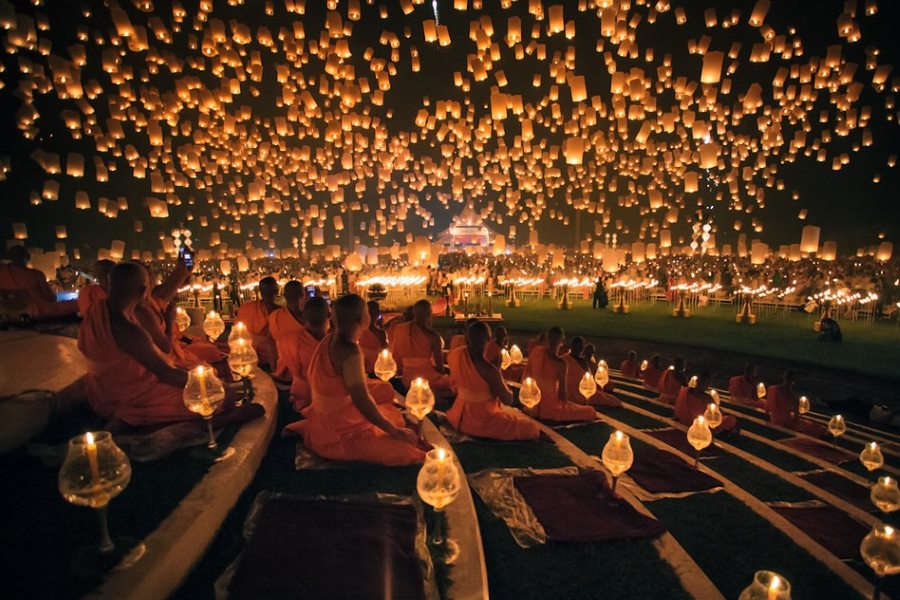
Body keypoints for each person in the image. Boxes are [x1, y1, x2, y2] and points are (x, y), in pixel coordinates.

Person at [78, 263, 237, 426]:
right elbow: (165, 373)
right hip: (131, 397)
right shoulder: (127, 328)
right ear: (143, 290)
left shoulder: (95, 311)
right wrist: (216, 386)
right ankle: (128, 420)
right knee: (217, 399)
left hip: (100, 392)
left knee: (200, 375)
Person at [284, 294, 425, 465]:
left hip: (328, 411)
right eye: (367, 312)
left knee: (385, 391)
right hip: (340, 429)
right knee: (406, 451)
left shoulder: (330, 339)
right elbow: (361, 400)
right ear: (362, 319)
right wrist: (394, 431)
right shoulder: (349, 351)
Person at [446, 321, 541, 440]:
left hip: (458, 416)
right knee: (531, 427)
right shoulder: (489, 370)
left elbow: (454, 386)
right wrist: (508, 389)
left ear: (468, 338)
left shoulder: (455, 355)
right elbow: (507, 399)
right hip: (482, 421)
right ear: (488, 339)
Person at [523, 327, 596, 422]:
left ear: (547, 339)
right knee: (590, 411)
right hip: (551, 409)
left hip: (532, 406)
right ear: (562, 341)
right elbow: (563, 395)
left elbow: (526, 376)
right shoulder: (561, 364)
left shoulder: (536, 351)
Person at [389, 299, 455, 395]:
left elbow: (396, 359)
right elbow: (440, 369)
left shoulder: (399, 330)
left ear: (414, 313)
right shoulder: (433, 336)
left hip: (407, 380)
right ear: (429, 313)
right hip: (429, 381)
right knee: (457, 384)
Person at [0, 246, 78, 319]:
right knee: (77, 303)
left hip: (9, 311)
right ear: (28, 257)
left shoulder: (2, 273)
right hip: (39, 310)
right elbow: (51, 297)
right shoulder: (35, 274)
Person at [674, 372, 739, 436]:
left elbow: (677, 404)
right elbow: (717, 414)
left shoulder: (684, 390)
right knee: (731, 419)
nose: (706, 385)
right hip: (699, 424)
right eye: (706, 383)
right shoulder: (707, 398)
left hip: (681, 419)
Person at [236, 276, 280, 370]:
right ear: (277, 291)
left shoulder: (245, 308)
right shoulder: (279, 312)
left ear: (259, 291)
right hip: (270, 359)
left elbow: (236, 333)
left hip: (246, 356)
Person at [766, 371, 827, 437]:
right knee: (815, 427)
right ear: (793, 381)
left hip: (778, 420)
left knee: (808, 424)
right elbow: (796, 417)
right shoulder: (792, 396)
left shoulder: (773, 389)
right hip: (785, 424)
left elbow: (767, 409)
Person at [563, 337, 620, 407]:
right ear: (572, 346)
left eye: (580, 346)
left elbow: (589, 379)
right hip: (571, 392)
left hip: (581, 390)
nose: (579, 348)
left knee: (612, 399)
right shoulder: (563, 359)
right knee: (613, 400)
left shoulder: (583, 361)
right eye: (577, 346)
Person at [268, 280, 305, 386]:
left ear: (284, 295)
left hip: (283, 370)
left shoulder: (275, 316)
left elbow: (269, 343)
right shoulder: (310, 317)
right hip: (306, 371)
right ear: (303, 295)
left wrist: (274, 368)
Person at [358, 300, 387, 373]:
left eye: (374, 313)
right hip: (365, 367)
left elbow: (384, 353)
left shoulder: (381, 333)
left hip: (374, 368)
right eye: (371, 313)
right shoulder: (358, 331)